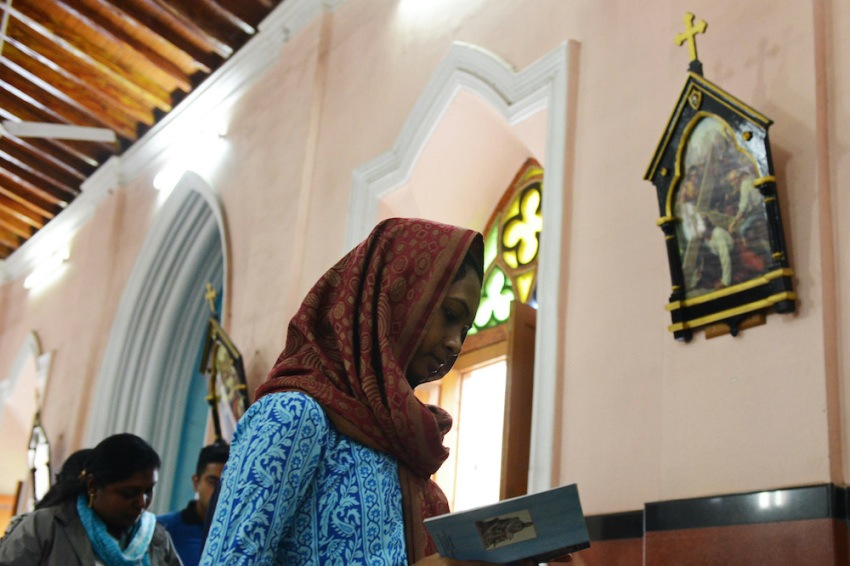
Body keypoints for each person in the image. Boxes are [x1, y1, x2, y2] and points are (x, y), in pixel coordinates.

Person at [200, 218, 492, 565]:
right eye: (448, 314)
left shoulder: (404, 444)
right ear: (394, 294)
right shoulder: (295, 414)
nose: (454, 343)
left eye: (464, 329)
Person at [0, 433, 182, 566]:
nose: (142, 503)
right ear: (93, 485)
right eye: (128, 493)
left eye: (148, 491)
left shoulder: (156, 540)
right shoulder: (47, 527)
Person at [158, 442, 229, 566]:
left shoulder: (240, 534)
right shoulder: (162, 529)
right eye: (213, 482)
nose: (220, 492)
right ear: (196, 483)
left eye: (227, 485)